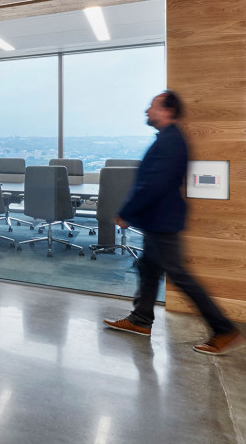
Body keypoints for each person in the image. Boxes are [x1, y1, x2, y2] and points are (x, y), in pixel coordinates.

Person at [104, 90, 244, 355]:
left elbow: (153, 186)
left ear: (167, 111)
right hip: (158, 219)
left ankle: (224, 329)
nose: (147, 111)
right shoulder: (168, 139)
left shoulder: (170, 142)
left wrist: (126, 212)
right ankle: (140, 320)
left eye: (152, 106)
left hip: (162, 220)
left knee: (179, 276)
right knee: (148, 269)